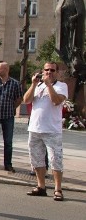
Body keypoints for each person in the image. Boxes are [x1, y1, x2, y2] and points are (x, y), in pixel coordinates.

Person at [23, 61, 68, 201]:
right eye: (47, 70)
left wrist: (49, 85)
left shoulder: (61, 86)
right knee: (36, 159)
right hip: (35, 128)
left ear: (57, 72)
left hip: (52, 130)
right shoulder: (38, 85)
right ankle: (41, 186)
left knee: (55, 160)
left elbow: (56, 101)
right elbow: (26, 100)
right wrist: (33, 84)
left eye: (52, 70)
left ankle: (58, 189)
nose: (49, 72)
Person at [0, 61, 22, 172]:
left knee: (8, 142)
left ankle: (8, 164)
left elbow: (19, 99)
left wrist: (12, 108)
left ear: (6, 70)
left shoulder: (15, 84)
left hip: (8, 115)